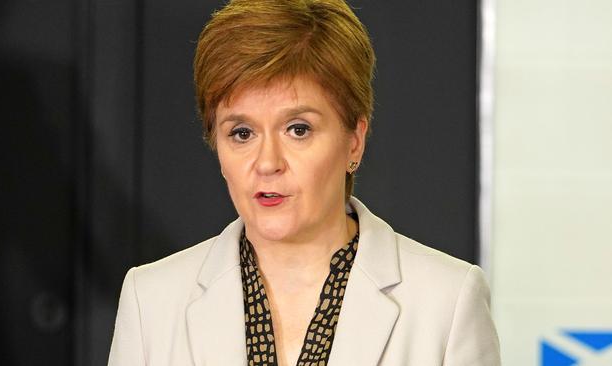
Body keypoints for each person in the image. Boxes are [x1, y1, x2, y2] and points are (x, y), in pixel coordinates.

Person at [107, 0, 501, 365]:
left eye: (298, 129)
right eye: (242, 133)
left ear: (354, 140)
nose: (267, 163)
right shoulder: (151, 301)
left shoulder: (446, 303)